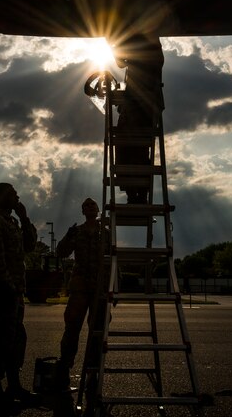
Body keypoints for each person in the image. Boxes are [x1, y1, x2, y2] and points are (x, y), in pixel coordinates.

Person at [0, 182, 39, 415]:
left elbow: (30, 246)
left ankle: (14, 387)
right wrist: (10, 288)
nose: (17, 197)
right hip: (3, 293)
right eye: (13, 194)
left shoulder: (12, 222)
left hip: (15, 294)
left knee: (15, 341)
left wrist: (24, 218)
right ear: (2, 197)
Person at [55, 198, 109, 389]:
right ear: (82, 211)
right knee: (71, 329)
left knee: (97, 332)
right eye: (86, 205)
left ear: (98, 210)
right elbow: (60, 252)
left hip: (99, 289)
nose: (90, 207)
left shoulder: (106, 233)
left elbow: (114, 258)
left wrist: (113, 288)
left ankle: (93, 372)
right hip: (79, 287)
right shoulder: (76, 232)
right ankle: (64, 368)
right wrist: (68, 237)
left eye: (93, 204)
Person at [113, 33, 165, 204]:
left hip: (142, 105)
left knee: (135, 149)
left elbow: (121, 62)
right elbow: (121, 62)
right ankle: (134, 192)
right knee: (129, 149)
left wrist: (118, 48)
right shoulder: (148, 44)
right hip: (138, 104)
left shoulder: (149, 47)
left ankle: (138, 193)